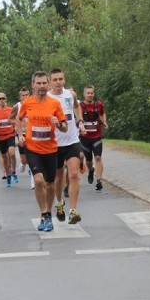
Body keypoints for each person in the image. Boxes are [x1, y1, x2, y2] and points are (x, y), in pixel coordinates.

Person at [16, 71, 68, 232]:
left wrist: (58, 123)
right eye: (38, 83)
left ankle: (48, 213)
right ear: (33, 85)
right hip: (32, 149)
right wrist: (20, 135)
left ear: (48, 84)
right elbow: (19, 119)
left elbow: (65, 127)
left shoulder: (54, 104)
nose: (42, 86)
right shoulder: (27, 103)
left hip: (51, 149)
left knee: (50, 184)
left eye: (44, 83)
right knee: (39, 180)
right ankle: (44, 214)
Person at [49, 69, 86, 224]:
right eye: (55, 79)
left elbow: (77, 107)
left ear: (64, 80)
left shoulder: (71, 95)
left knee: (74, 175)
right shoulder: (47, 99)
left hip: (72, 140)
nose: (58, 82)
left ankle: (72, 211)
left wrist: (80, 121)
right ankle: (59, 203)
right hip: (55, 144)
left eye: (61, 79)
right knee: (58, 178)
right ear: (50, 82)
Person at [80, 85, 108, 192]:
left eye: (92, 93)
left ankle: (99, 180)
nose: (90, 95)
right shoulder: (80, 106)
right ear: (84, 94)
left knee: (98, 158)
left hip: (96, 136)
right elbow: (77, 118)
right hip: (85, 137)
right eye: (88, 93)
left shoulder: (99, 104)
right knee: (88, 160)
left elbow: (102, 113)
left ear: (94, 94)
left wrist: (104, 121)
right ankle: (91, 170)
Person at [0, 92, 18, 187]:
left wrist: (17, 127)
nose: (1, 101)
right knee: (4, 157)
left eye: (3, 98)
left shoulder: (10, 109)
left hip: (10, 134)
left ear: (6, 99)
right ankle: (8, 175)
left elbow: (17, 120)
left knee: (12, 153)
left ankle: (13, 171)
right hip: (0, 136)